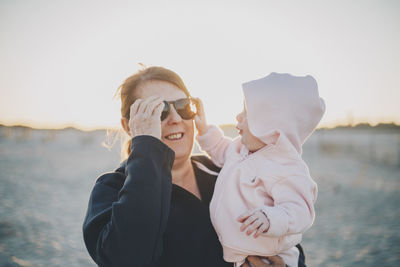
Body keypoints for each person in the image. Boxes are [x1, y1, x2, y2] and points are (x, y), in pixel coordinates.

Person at [82, 66, 306, 267]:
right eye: (157, 110)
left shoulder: (226, 172)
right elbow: (126, 258)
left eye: (183, 106)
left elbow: (286, 232)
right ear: (129, 125)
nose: (175, 118)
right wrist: (147, 149)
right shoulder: (111, 189)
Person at [194, 72, 325, 267]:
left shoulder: (286, 166)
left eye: (247, 113)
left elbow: (300, 210)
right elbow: (220, 148)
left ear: (271, 126)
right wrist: (204, 129)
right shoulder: (240, 148)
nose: (238, 116)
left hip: (270, 254)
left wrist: (270, 217)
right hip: (238, 253)